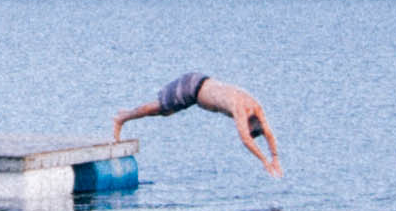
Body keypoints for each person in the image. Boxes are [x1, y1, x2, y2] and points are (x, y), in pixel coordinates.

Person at [110, 72, 284, 175]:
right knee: (161, 108)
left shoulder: (257, 109)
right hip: (193, 88)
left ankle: (125, 114)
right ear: (250, 124)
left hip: (198, 87)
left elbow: (268, 133)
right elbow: (246, 140)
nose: (244, 127)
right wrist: (264, 161)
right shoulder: (241, 109)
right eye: (249, 128)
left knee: (165, 112)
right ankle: (122, 118)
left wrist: (275, 158)